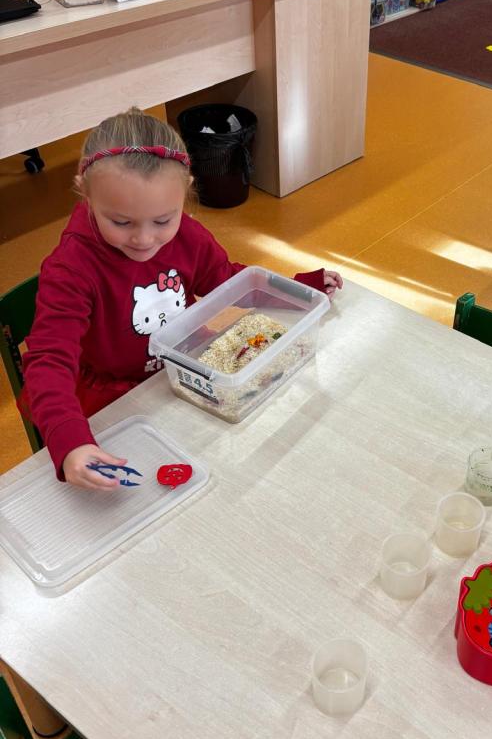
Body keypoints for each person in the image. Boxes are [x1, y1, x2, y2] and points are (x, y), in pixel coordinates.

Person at [21, 109, 343, 491]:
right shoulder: (71, 268)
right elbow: (49, 360)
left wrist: (298, 289)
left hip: (184, 372)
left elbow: (229, 282)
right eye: (121, 222)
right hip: (113, 399)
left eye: (163, 220)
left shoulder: (188, 236)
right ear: (85, 192)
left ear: (186, 190)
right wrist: (71, 442)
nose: (144, 239)